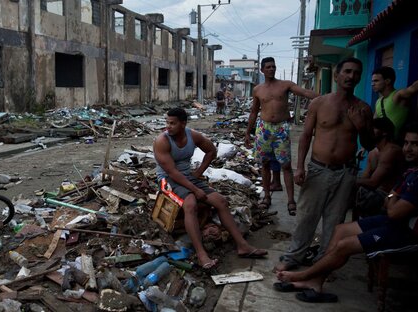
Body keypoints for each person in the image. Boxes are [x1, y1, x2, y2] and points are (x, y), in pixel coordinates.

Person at [274, 122, 418, 303]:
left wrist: (393, 197)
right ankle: (315, 282)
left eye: (416, 144)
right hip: (394, 222)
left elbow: (393, 210)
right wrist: (394, 196)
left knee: (344, 246)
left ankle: (303, 276)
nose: (408, 148)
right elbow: (391, 201)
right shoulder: (412, 169)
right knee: (341, 230)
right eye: (407, 143)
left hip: (410, 233)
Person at [274, 57, 375, 272]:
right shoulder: (320, 103)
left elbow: (369, 144)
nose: (351, 76)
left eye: (356, 72)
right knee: (306, 216)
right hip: (319, 169)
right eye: (347, 71)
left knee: (334, 220)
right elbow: (306, 136)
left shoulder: (363, 109)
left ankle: (323, 260)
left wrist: (361, 127)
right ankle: (295, 256)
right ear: (337, 76)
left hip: (346, 172)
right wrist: (300, 166)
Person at [154, 108, 267, 269]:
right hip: (168, 179)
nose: (168, 127)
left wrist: (198, 172)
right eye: (167, 122)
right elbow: (172, 172)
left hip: (188, 176)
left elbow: (211, 151)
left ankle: (242, 245)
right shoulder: (162, 141)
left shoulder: (192, 135)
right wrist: (194, 189)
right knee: (190, 203)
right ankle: (201, 254)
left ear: (183, 124)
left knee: (221, 202)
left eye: (172, 123)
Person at [245, 57, 319, 216]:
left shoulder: (285, 85)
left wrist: (325, 98)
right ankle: (266, 197)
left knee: (285, 165)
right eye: (268, 67)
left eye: (274, 66)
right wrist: (247, 132)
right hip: (264, 129)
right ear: (262, 70)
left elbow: (305, 92)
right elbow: (254, 111)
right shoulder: (258, 89)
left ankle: (291, 200)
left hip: (281, 129)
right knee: (264, 164)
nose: (272, 69)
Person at [353, 117, 405, 220]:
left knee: (367, 196)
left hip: (390, 195)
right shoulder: (373, 152)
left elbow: (373, 183)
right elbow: (365, 177)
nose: (370, 131)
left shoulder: (391, 151)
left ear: (384, 133)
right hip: (376, 192)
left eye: (373, 128)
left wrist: (350, 180)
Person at [372, 66, 418, 140]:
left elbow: (412, 89)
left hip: (397, 143)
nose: (372, 84)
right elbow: (374, 125)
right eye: (372, 81)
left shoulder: (397, 95)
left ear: (387, 81)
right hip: (382, 144)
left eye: (376, 81)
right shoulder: (378, 101)